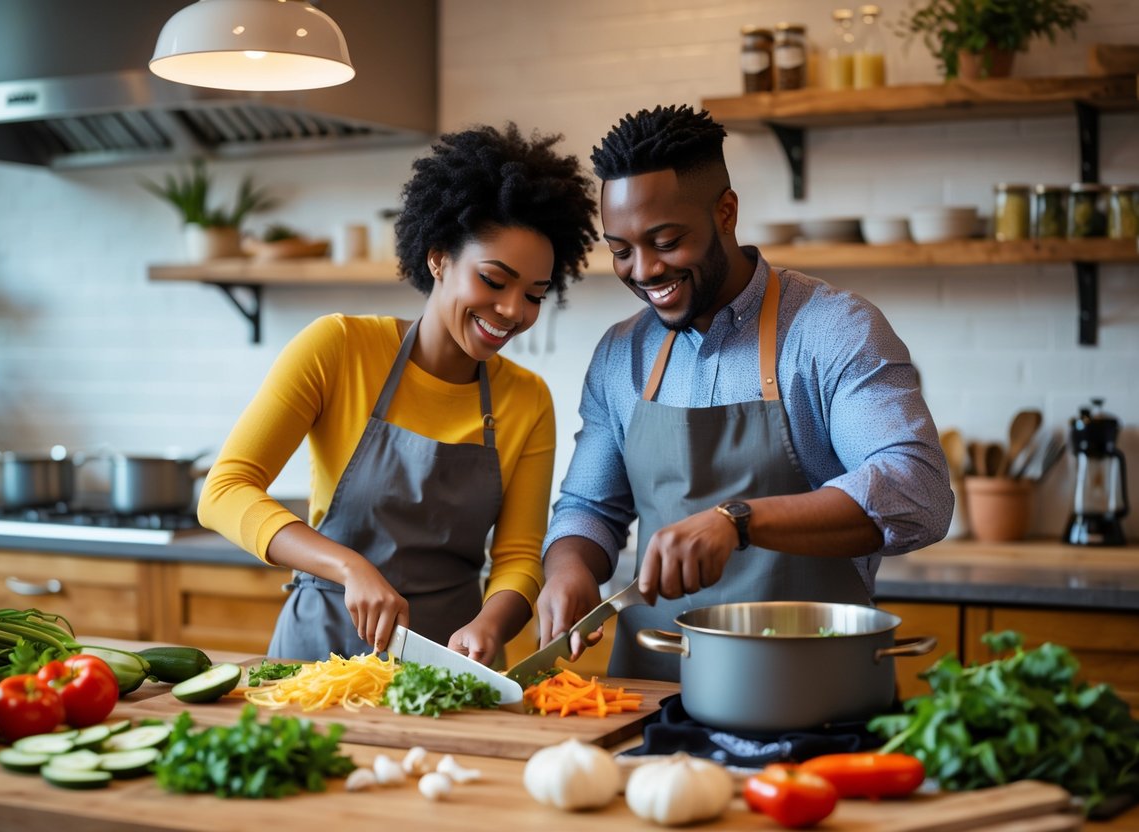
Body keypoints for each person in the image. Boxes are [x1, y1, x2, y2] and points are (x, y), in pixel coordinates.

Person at [536, 104, 952, 682]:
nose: (644, 270)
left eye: (665, 240)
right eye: (622, 249)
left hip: (809, 693)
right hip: (653, 697)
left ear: (726, 214)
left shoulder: (833, 330)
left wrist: (737, 521)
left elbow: (920, 492)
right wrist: (570, 570)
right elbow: (589, 508)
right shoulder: (619, 354)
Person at [198, 124, 599, 665]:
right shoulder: (339, 347)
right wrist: (349, 566)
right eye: (493, 280)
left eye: (533, 294)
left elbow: (519, 556)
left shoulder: (526, 399)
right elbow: (224, 491)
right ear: (438, 258)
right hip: (319, 653)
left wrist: (490, 625)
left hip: (451, 666)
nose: (512, 311)